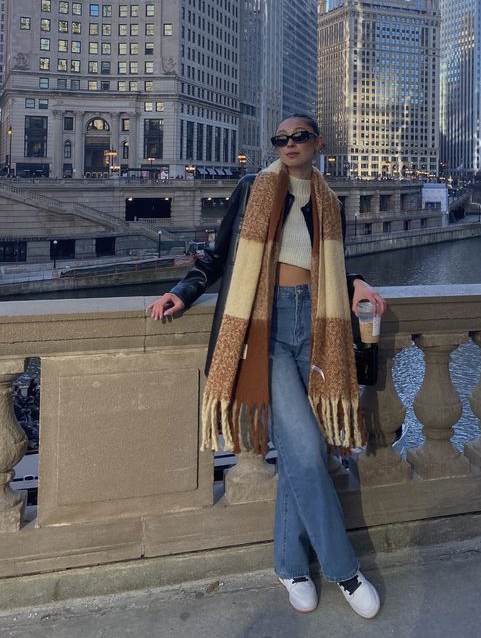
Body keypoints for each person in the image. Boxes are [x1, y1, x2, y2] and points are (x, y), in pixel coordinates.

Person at [148, 114, 385, 619]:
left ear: (318, 142)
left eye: (299, 137)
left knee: (305, 454)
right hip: (264, 328)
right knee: (303, 450)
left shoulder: (328, 200)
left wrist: (357, 283)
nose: (289, 144)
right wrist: (182, 293)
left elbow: (333, 265)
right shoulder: (252, 187)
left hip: (316, 328)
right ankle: (344, 569)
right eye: (281, 139)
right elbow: (216, 258)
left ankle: (289, 564)